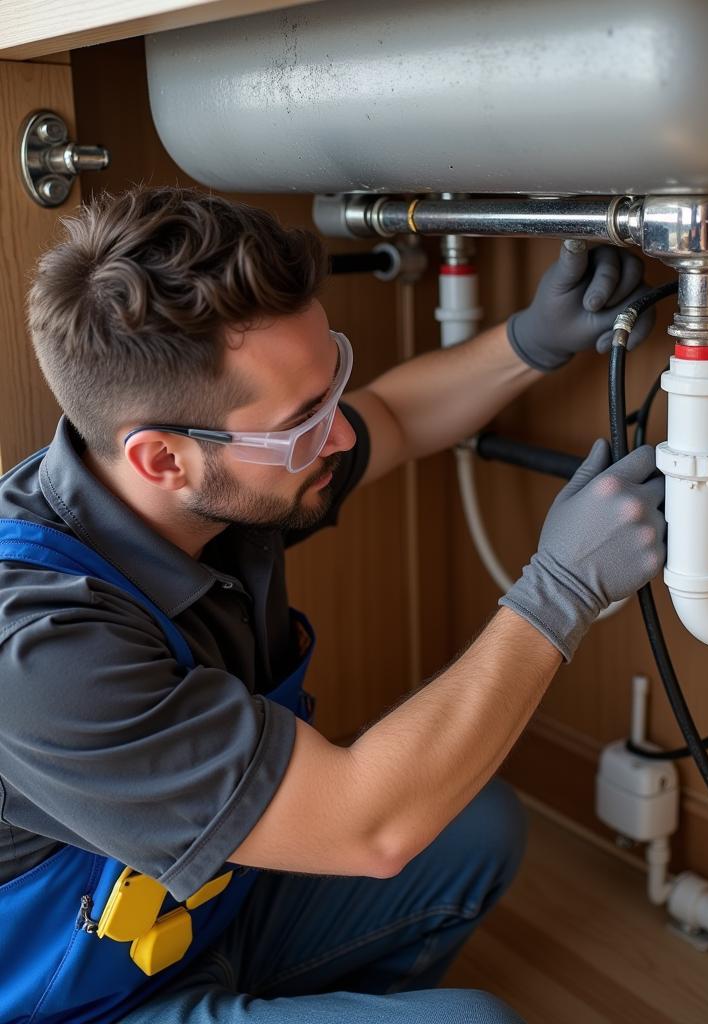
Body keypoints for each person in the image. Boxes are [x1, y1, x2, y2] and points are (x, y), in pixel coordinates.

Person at [0, 187, 663, 1024]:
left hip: (202, 913)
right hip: (81, 1005)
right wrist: (560, 589)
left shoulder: (200, 485)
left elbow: (391, 418)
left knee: (475, 828)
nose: (338, 435)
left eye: (329, 386)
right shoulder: (40, 652)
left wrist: (528, 343)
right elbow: (371, 830)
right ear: (161, 459)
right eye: (303, 419)